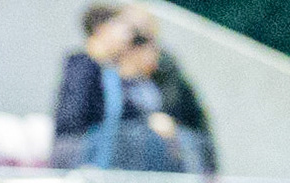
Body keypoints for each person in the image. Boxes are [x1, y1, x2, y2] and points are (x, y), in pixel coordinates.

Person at [53, 3, 214, 173]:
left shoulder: (122, 71)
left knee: (174, 140)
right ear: (102, 30)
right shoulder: (84, 64)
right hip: (81, 147)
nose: (127, 35)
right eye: (122, 27)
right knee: (140, 139)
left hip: (111, 147)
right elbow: (77, 118)